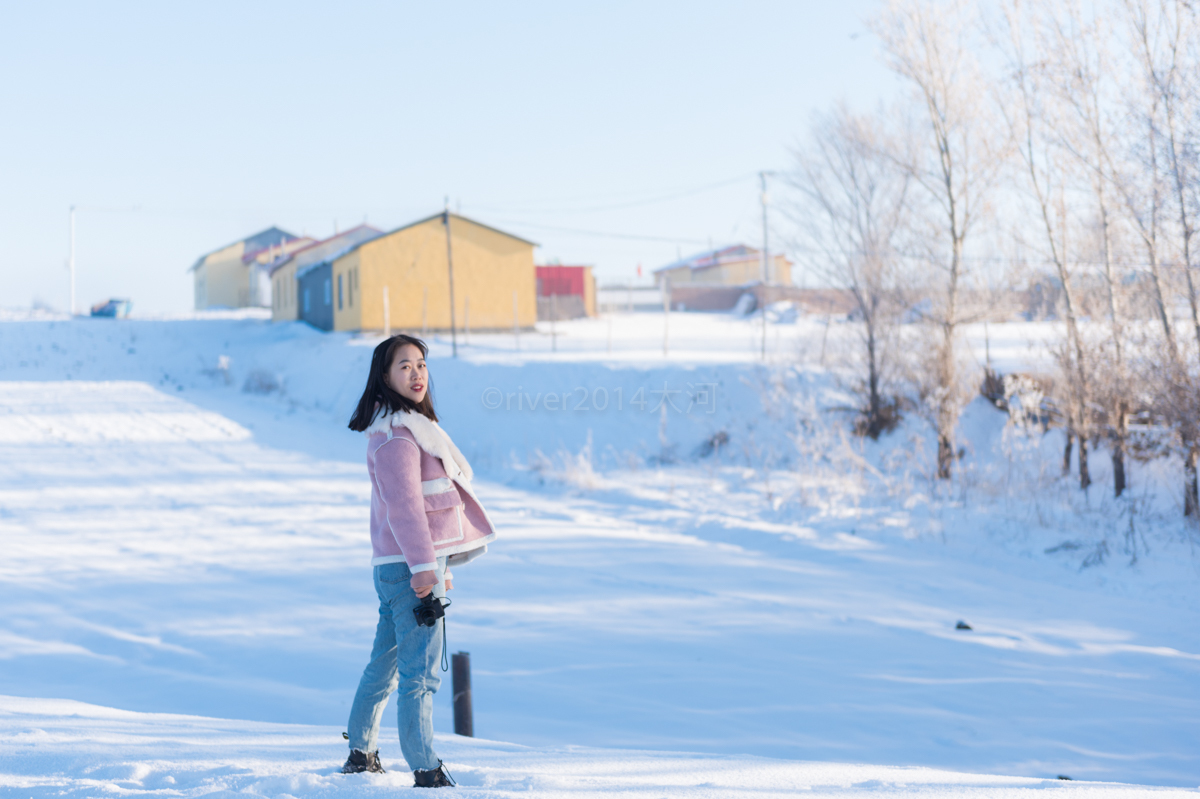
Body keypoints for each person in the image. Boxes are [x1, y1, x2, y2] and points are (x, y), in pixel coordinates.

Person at [342, 334, 497, 788]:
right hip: (409, 568)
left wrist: (437, 566)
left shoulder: (407, 430)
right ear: (384, 378)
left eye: (421, 365)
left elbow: (426, 511)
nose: (416, 374)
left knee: (387, 663)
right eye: (404, 366)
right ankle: (426, 768)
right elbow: (406, 509)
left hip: (403, 566)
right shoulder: (396, 438)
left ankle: (361, 750)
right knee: (419, 675)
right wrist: (426, 571)